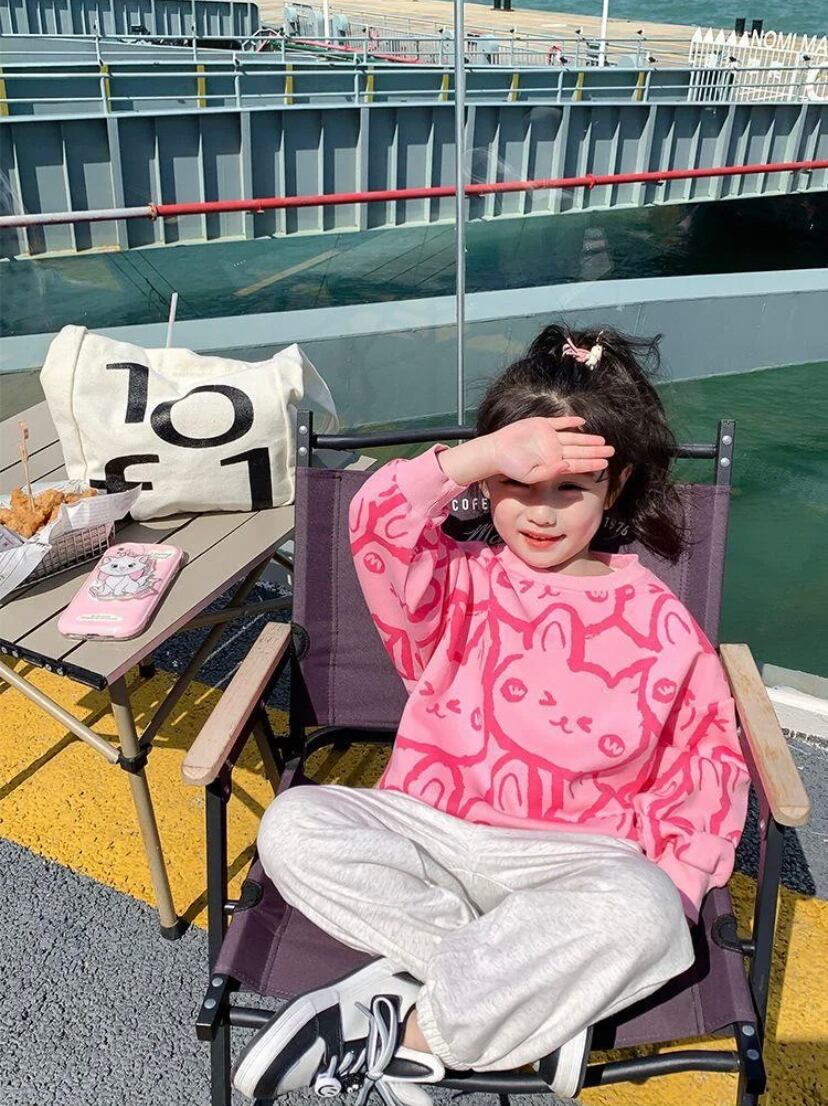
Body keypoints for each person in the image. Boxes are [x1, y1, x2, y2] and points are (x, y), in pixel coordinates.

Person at [233, 325, 750, 1104]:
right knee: (292, 826)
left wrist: (669, 889)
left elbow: (705, 771)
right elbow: (376, 517)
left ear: (614, 485)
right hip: (434, 835)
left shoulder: (660, 622)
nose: (540, 512)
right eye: (517, 483)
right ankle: (528, 1005)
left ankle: (407, 1027)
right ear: (488, 481)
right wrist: (478, 456)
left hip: (573, 865)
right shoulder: (451, 582)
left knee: (649, 912)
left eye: (568, 490)